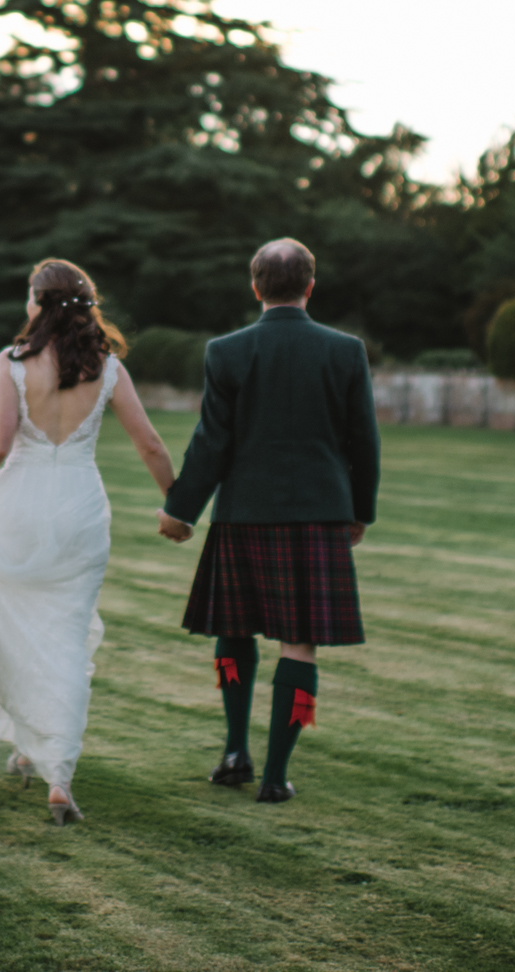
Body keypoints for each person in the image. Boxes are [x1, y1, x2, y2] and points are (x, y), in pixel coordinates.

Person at [0, 259, 178, 825]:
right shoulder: (109, 369)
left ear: (38, 304)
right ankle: (57, 775)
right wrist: (176, 503)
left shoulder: (12, 363)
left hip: (20, 504)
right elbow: (150, 444)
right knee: (64, 637)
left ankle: (39, 751)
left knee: (19, 627)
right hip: (79, 509)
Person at [156, 237, 378, 804]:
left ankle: (235, 750)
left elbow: (212, 442)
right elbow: (364, 442)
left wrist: (181, 510)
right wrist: (359, 511)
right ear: (310, 285)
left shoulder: (226, 351)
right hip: (318, 515)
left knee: (234, 629)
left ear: (255, 287)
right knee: (298, 645)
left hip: (243, 516)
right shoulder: (345, 350)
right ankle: (275, 777)